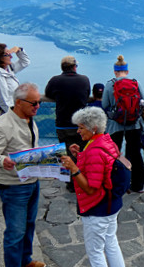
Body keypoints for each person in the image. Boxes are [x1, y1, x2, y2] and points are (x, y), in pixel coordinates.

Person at [0, 83, 46, 267]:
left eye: (39, 102)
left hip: (32, 181)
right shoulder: (1, 126)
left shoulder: (29, 119)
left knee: (29, 225)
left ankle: (26, 261)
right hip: (14, 186)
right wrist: (2, 161)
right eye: (34, 103)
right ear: (18, 102)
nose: (38, 106)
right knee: (15, 232)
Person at [60, 107, 125, 267]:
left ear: (93, 128)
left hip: (97, 209)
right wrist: (80, 155)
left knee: (95, 252)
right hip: (111, 205)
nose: (78, 131)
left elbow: (91, 188)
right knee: (110, 243)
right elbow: (97, 168)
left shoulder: (94, 151)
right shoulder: (106, 141)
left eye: (81, 127)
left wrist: (74, 169)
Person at [45, 55, 90, 192]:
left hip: (63, 123)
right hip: (80, 124)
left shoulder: (55, 80)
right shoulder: (84, 80)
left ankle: (70, 183)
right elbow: (87, 94)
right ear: (75, 66)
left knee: (66, 154)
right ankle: (81, 181)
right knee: (81, 153)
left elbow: (49, 94)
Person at [102, 55, 144, 193]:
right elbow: (143, 102)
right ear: (127, 71)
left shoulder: (110, 84)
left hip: (115, 125)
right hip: (134, 125)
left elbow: (105, 104)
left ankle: (116, 183)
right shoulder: (135, 83)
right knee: (135, 154)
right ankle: (138, 185)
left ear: (115, 71)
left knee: (114, 153)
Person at [0, 43, 30, 114]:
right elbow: (3, 101)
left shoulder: (8, 69)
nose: (11, 56)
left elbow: (25, 62)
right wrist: (15, 116)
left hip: (13, 111)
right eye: (7, 54)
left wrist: (18, 50)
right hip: (7, 115)